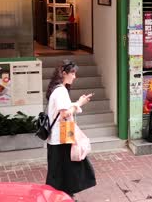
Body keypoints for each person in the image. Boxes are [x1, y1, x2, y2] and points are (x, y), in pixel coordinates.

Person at [45, 60, 96, 199]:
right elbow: (64, 113)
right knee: (62, 171)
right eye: (72, 73)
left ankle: (63, 196)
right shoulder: (61, 90)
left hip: (60, 136)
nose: (74, 76)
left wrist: (77, 103)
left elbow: (64, 109)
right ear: (64, 73)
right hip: (61, 137)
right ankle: (60, 196)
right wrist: (80, 103)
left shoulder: (57, 89)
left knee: (60, 171)